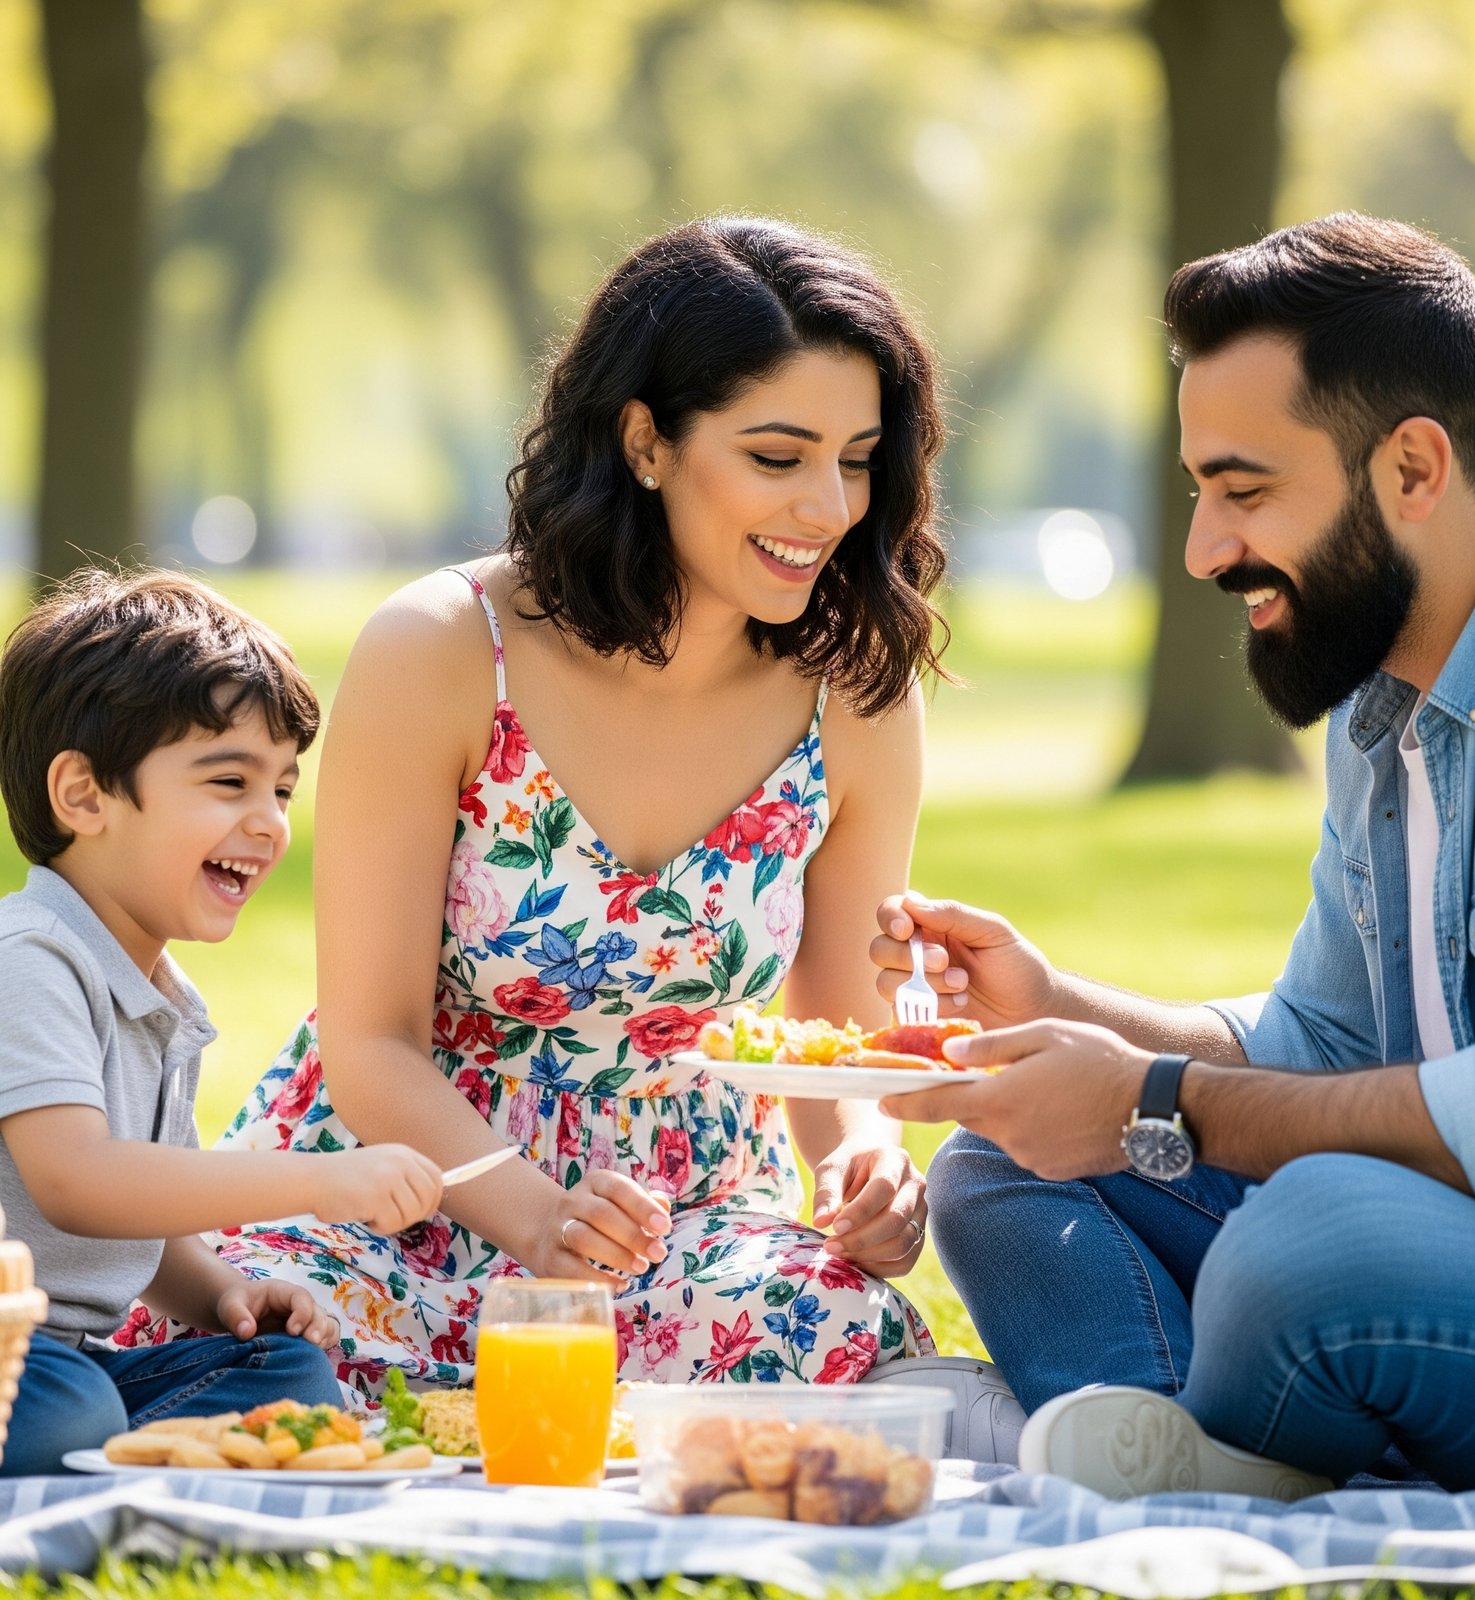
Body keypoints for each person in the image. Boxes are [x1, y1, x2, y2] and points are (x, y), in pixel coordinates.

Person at [134, 217, 954, 1404]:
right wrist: (533, 1219)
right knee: (264, 1341)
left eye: (858, 457)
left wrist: (869, 1167)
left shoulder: (855, 694)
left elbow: (833, 1029)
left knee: (837, 1326)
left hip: (680, 1219)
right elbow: (371, 1042)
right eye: (778, 456)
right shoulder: (443, 648)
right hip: (398, 1183)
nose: (827, 506)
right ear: (646, 441)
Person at [871, 213, 1475, 1498]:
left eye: (1245, 491)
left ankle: (1197, 1435)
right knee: (1002, 1165)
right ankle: (1182, 1449)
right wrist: (1062, 1015)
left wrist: (1154, 1101)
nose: (1207, 549)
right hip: (1469, 1245)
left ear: (1414, 468)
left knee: (1311, 1243)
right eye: (1202, 492)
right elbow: (1322, 1041)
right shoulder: (1385, 691)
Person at [0, 569, 444, 1477]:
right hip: (21, 1355)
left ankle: (113, 1450)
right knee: (62, 1403)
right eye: (229, 781)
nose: (269, 823)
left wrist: (232, 1298)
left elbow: (144, 1231)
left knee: (290, 1378)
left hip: (66, 1359)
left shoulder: (163, 998)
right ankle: (100, 1446)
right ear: (82, 797)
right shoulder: (30, 957)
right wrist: (319, 1182)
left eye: (281, 789)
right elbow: (79, 1184)